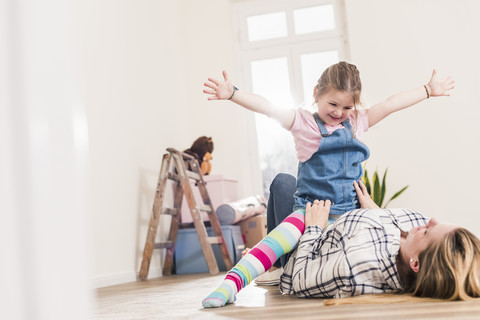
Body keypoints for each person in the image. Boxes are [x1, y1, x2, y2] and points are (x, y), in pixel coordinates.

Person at [201, 62, 455, 307]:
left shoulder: (356, 122)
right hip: (308, 211)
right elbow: (267, 108)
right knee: (272, 243)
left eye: (347, 107)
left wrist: (427, 91)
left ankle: (283, 270)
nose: (338, 112)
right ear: (316, 95)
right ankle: (229, 286)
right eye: (332, 104)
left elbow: (390, 104)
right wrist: (232, 94)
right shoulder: (304, 123)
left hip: (349, 215)